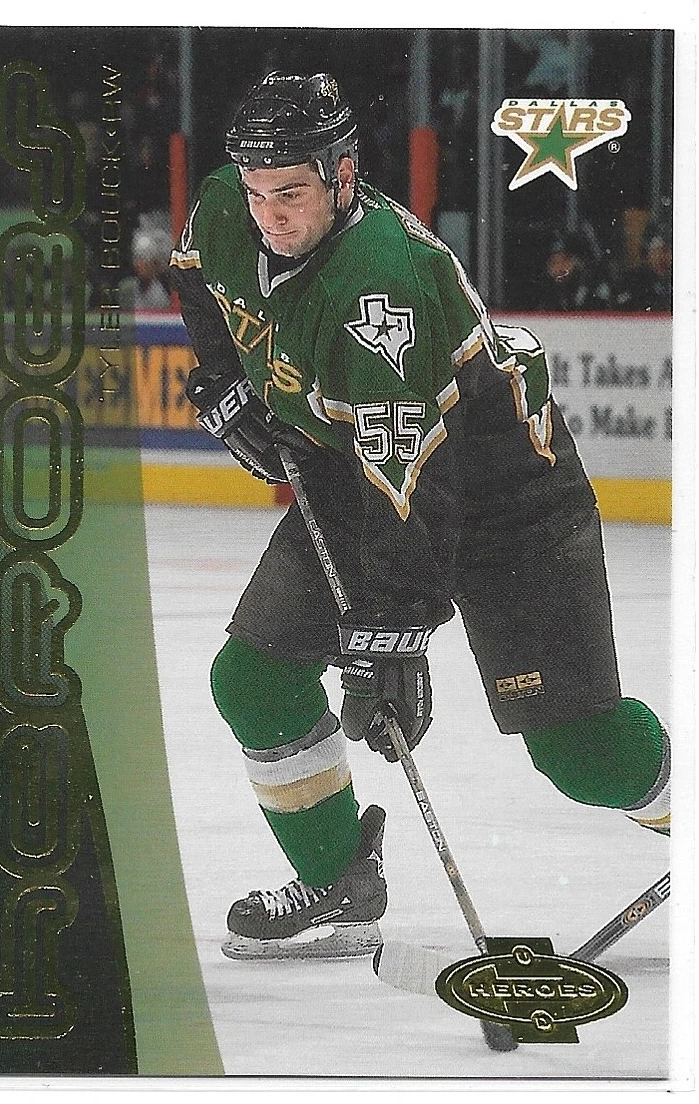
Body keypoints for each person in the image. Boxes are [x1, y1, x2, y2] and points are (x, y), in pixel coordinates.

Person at [169, 72, 670, 962]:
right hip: (358, 478)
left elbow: (414, 487)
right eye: (256, 193)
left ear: (342, 175)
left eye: (291, 194)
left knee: (581, 754)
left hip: (507, 505)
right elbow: (200, 281)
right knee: (254, 680)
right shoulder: (224, 207)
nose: (269, 215)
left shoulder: (380, 291)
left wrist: (392, 636)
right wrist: (223, 378)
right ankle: (338, 880)